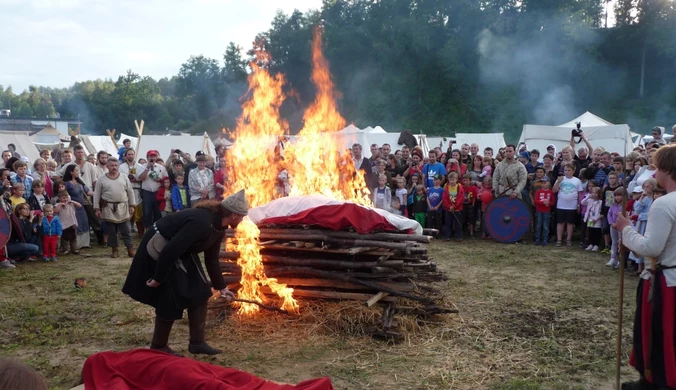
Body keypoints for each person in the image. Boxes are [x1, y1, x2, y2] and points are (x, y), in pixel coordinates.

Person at [122, 190, 248, 356]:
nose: (242, 220)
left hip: (180, 251)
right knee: (171, 295)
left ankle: (197, 343)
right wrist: (158, 278)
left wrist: (221, 287)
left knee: (202, 290)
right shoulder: (201, 222)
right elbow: (170, 250)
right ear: (233, 215)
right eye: (241, 216)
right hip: (159, 247)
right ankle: (159, 346)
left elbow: (211, 260)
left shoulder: (219, 227)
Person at [616, 145, 676, 390]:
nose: (653, 173)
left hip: (663, 282)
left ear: (665, 169)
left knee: (658, 335)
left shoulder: (663, 204)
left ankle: (657, 382)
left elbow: (651, 247)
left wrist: (625, 230)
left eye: (657, 167)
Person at [93, 157, 137, 258]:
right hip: (108, 208)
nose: (114, 167)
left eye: (116, 165)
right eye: (112, 165)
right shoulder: (101, 179)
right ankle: (115, 250)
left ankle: (130, 249)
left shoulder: (124, 177)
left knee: (126, 230)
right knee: (112, 232)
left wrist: (132, 205)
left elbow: (130, 192)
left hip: (123, 207)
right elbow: (96, 194)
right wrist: (97, 208)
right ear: (107, 166)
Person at [553, 164, 583, 247]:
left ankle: (568, 239)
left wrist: (579, 205)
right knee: (560, 222)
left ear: (573, 171)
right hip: (561, 205)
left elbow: (580, 193)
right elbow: (554, 190)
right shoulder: (560, 179)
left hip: (572, 205)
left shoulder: (577, 181)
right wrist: (558, 182)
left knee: (570, 223)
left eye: (569, 170)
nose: (567, 172)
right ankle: (559, 239)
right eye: (565, 170)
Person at [63, 165, 93, 249]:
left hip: (81, 207)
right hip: (73, 208)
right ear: (71, 172)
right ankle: (77, 244)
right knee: (77, 224)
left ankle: (85, 243)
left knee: (84, 222)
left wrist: (99, 194)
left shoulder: (79, 182)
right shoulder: (67, 184)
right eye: (76, 170)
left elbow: (88, 191)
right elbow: (63, 195)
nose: (78, 172)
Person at [119, 149, 144, 236]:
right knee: (127, 213)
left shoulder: (140, 166)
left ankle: (141, 233)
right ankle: (126, 233)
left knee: (138, 213)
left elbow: (143, 178)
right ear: (125, 156)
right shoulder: (121, 167)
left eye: (132, 154)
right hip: (126, 191)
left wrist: (136, 180)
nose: (130, 156)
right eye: (129, 154)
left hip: (137, 190)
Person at [138, 150, 166, 229]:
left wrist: (160, 180)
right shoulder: (142, 167)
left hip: (158, 192)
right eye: (151, 156)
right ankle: (147, 230)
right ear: (147, 157)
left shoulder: (161, 168)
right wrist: (147, 168)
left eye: (154, 156)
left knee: (157, 212)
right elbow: (140, 178)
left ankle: (156, 230)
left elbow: (166, 180)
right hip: (147, 192)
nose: (152, 158)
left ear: (157, 157)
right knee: (147, 212)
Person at [54, 190, 80, 255]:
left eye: (66, 197)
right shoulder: (58, 205)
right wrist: (60, 204)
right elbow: (55, 211)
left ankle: (74, 249)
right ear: (59, 198)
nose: (65, 199)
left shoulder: (71, 203)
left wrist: (72, 201)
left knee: (73, 237)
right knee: (64, 238)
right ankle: (65, 249)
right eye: (63, 198)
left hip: (72, 223)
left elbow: (79, 205)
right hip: (64, 224)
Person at [442, 172, 465, 242]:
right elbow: (444, 198)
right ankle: (447, 236)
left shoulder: (460, 187)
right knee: (448, 223)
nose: (451, 181)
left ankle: (458, 236)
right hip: (448, 209)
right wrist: (449, 206)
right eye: (450, 179)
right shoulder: (446, 187)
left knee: (458, 223)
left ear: (456, 179)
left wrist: (454, 206)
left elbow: (461, 198)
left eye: (453, 179)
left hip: (457, 209)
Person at [606, 188, 624, 268]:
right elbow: (609, 214)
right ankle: (613, 258)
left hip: (620, 227)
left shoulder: (624, 206)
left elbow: (622, 216)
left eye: (619, 195)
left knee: (621, 243)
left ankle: (621, 261)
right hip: (613, 226)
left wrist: (617, 224)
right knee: (614, 242)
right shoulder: (613, 205)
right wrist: (611, 223)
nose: (617, 197)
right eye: (616, 195)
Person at [581, 187, 603, 251]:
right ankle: (591, 244)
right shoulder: (590, 200)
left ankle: (596, 245)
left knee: (596, 232)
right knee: (590, 231)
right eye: (593, 192)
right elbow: (582, 202)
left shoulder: (601, 202)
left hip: (597, 219)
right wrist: (588, 196)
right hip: (590, 218)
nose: (594, 194)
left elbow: (600, 212)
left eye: (596, 193)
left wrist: (596, 219)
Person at [533, 178, 553, 246]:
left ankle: (545, 239)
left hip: (547, 211)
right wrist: (543, 202)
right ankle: (537, 238)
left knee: (545, 225)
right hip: (539, 210)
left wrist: (549, 203)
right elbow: (536, 200)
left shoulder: (551, 192)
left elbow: (553, 202)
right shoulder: (538, 191)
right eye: (542, 183)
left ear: (549, 183)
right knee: (538, 225)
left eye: (545, 183)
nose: (543, 185)